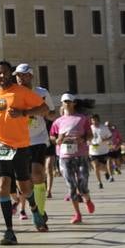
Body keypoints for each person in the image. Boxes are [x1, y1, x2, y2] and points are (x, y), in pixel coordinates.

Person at [0, 60, 50, 245]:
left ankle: (34, 209)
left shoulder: (21, 92)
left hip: (20, 145)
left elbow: (44, 109)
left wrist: (23, 113)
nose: (2, 76)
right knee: (3, 186)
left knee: (24, 187)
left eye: (5, 72)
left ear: (10, 74)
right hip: (0, 146)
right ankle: (9, 231)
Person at [14, 64, 55, 229]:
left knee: (37, 173)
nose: (20, 78)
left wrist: (46, 113)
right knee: (24, 180)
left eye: (23, 75)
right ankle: (33, 207)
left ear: (31, 76)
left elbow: (52, 113)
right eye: (17, 75)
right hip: (19, 140)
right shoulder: (13, 94)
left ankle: (40, 212)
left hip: (38, 138)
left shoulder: (42, 93)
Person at [49, 93, 94, 223]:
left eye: (69, 101)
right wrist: (58, 139)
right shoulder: (58, 121)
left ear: (74, 103)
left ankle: (87, 199)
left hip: (80, 155)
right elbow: (52, 136)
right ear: (62, 104)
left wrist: (82, 139)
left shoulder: (82, 118)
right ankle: (77, 214)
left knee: (82, 184)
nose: (67, 103)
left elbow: (90, 135)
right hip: (64, 156)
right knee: (71, 186)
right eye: (65, 101)